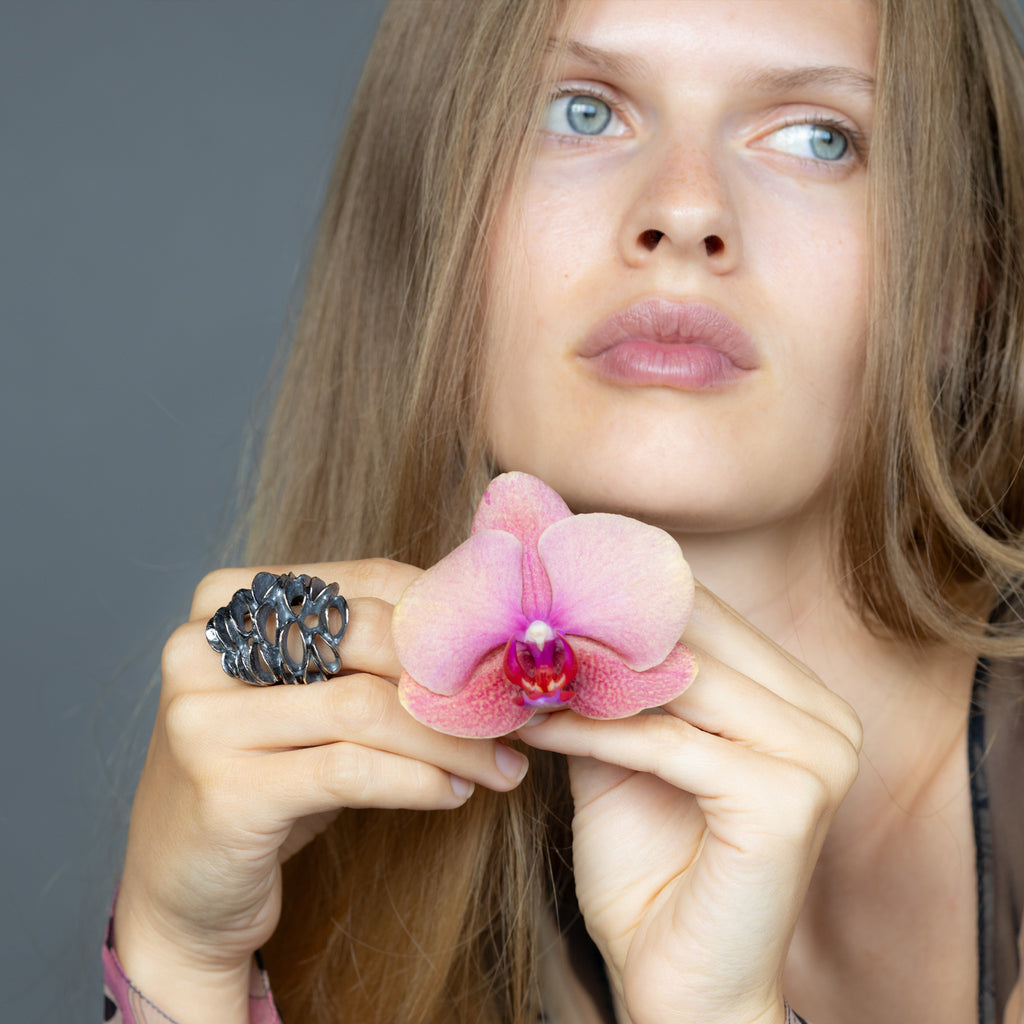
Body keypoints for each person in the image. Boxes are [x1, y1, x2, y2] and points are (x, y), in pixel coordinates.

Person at [104, 0, 1024, 1021]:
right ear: (426, 224)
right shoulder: (418, 837)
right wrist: (182, 961)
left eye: (819, 137)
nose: (683, 210)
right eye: (580, 111)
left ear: (966, 278)